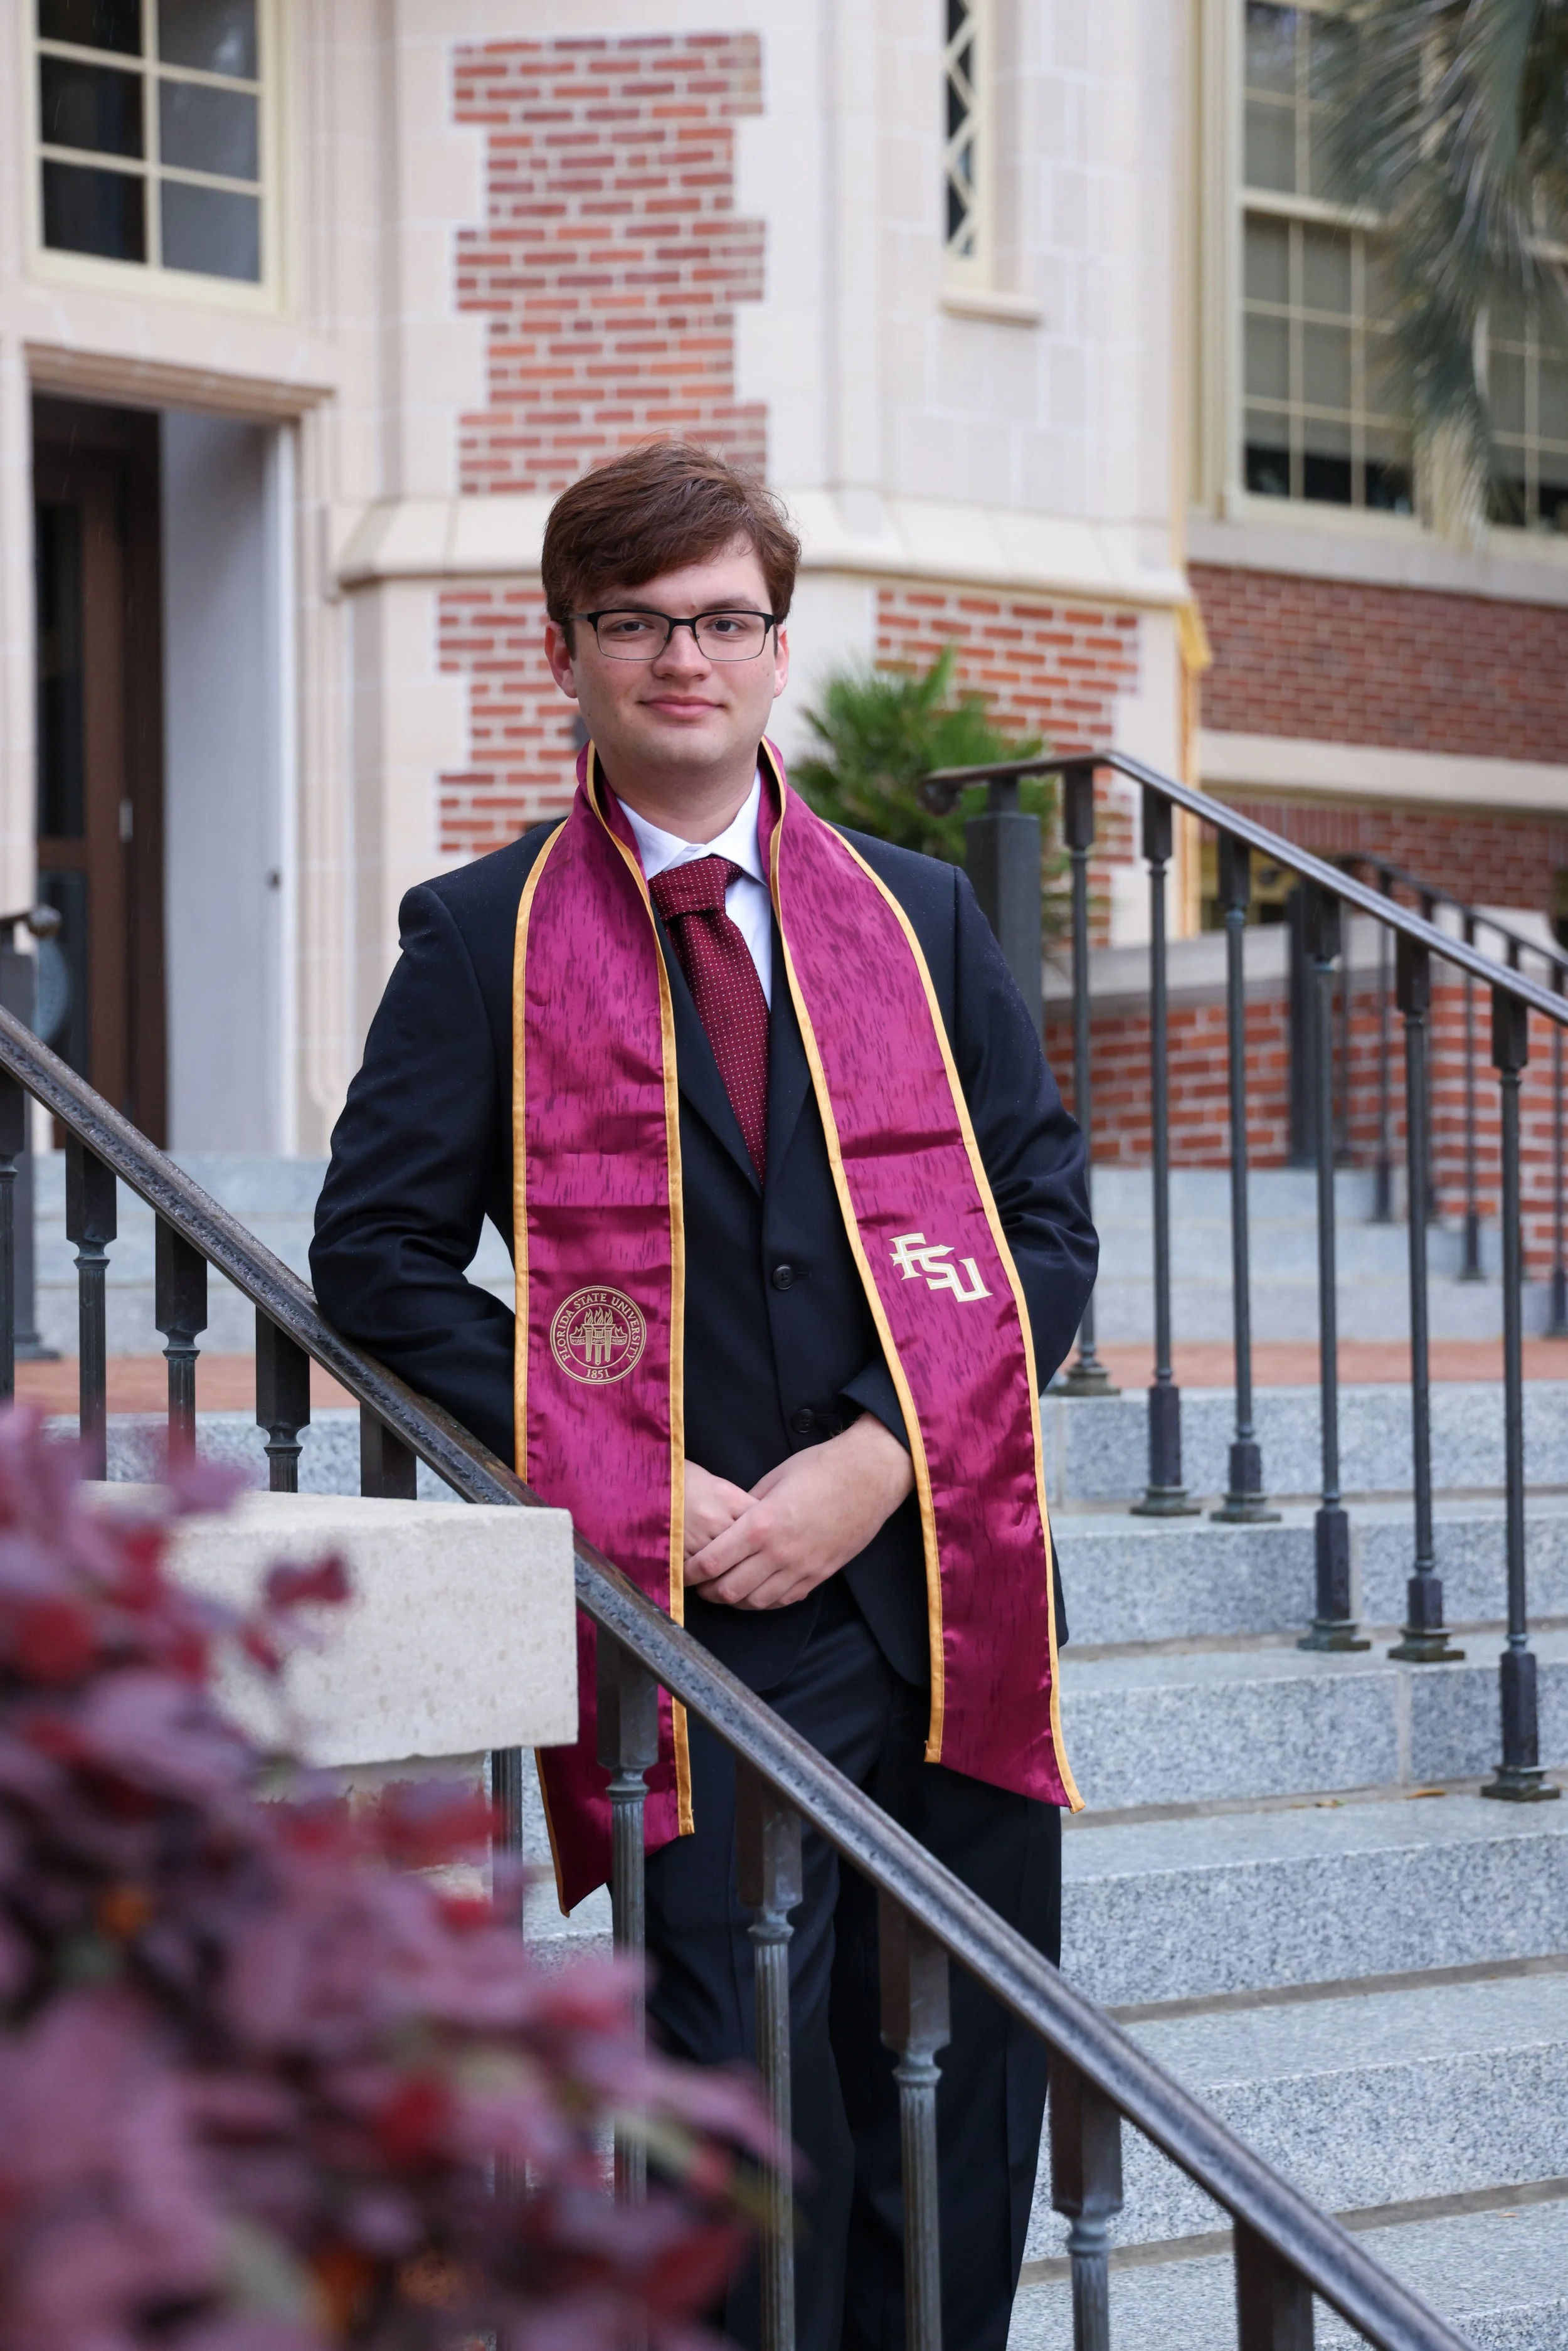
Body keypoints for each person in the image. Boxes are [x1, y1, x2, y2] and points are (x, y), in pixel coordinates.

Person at [310, 438, 1098, 2351]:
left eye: (724, 619)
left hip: (939, 1584)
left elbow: (1037, 1225)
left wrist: (872, 1455)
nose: (688, 656)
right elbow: (376, 1255)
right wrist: (620, 1470)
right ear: (564, 650)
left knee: (961, 2074)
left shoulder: (912, 912)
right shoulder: (478, 936)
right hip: (688, 1615)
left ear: (775, 645)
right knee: (735, 2093)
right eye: (638, 622)